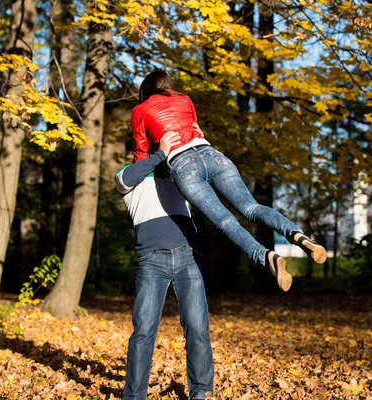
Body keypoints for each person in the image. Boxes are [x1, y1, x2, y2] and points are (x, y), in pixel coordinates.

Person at [131, 70, 327, 292]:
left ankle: (267, 257)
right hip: (212, 155)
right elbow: (194, 129)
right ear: (166, 84)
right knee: (252, 208)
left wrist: (147, 170)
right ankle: (299, 236)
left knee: (225, 221)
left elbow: (141, 155)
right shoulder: (184, 99)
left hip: (182, 165)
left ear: (145, 90)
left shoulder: (140, 110)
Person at [115, 132, 213, 400]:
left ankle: (201, 392)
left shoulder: (177, 173)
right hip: (151, 260)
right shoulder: (128, 175)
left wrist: (199, 145)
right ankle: (134, 396)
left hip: (187, 256)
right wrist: (159, 153)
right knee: (144, 331)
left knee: (197, 328)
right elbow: (125, 179)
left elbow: (206, 174)